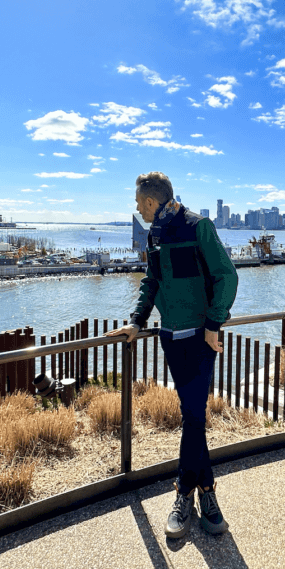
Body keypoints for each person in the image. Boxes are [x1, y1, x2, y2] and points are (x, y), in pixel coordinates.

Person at [105, 172, 238, 537]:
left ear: (151, 201)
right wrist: (136, 321)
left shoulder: (199, 226)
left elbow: (227, 276)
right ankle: (205, 492)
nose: (136, 207)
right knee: (192, 415)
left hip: (200, 337)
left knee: (192, 416)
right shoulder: (155, 234)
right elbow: (151, 281)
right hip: (169, 336)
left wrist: (213, 323)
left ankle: (186, 492)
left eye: (138, 202)